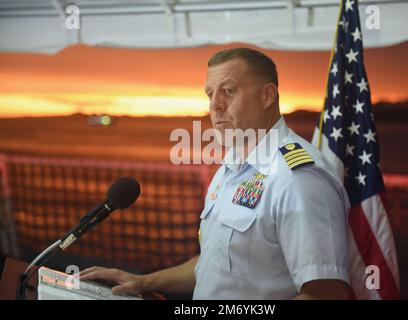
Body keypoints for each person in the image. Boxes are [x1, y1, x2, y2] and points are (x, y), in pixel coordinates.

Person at [80, 48, 351, 300]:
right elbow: (216, 262)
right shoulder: (232, 167)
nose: (215, 105)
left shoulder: (298, 178)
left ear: (267, 96)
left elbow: (326, 293)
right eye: (210, 94)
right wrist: (144, 282)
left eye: (229, 91)